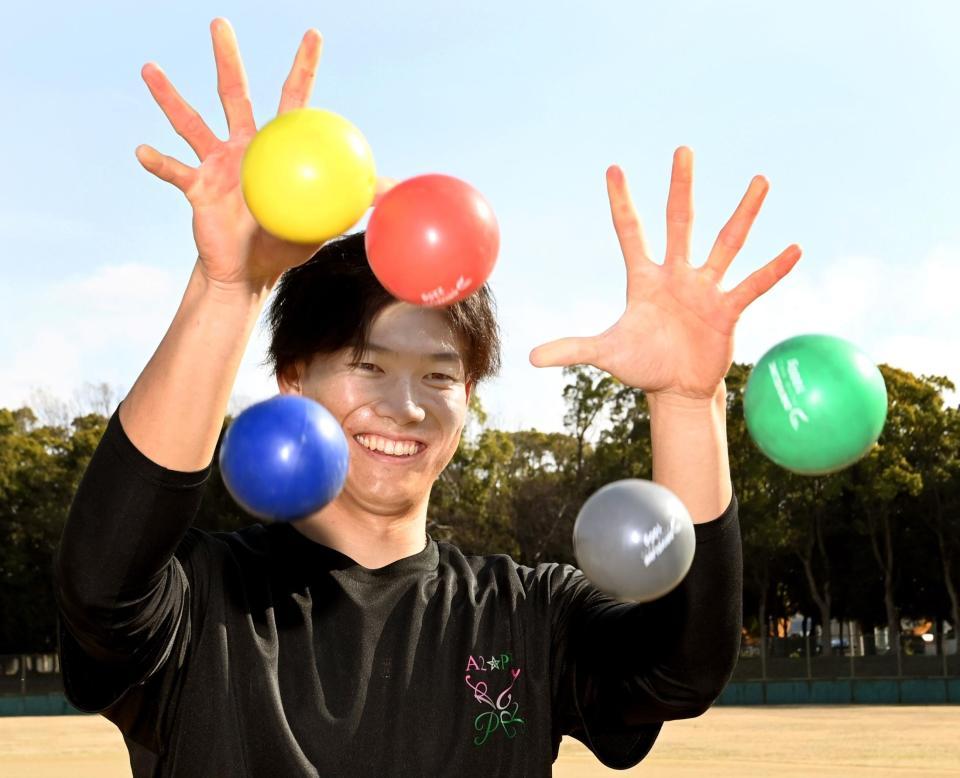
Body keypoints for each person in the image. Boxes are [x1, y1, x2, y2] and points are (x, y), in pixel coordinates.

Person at [53, 17, 801, 778]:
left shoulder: (527, 613)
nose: (405, 405)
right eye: (367, 366)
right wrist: (228, 286)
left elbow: (682, 667)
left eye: (440, 376)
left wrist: (683, 402)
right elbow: (101, 589)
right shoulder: (203, 603)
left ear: (469, 398)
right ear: (292, 379)